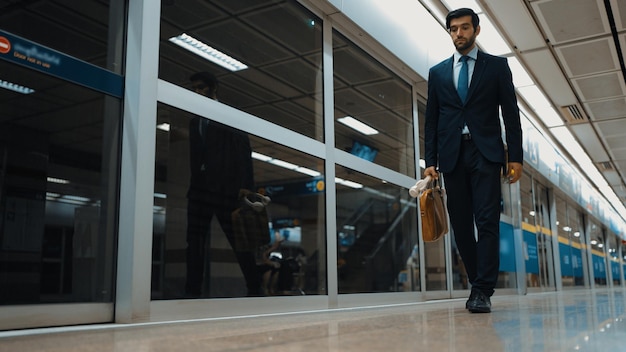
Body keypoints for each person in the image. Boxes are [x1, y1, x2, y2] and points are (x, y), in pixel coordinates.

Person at [424, 8, 523, 313]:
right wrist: (430, 159)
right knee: (461, 224)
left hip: (486, 153)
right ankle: (477, 281)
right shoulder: (438, 73)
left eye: (464, 28)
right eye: (453, 29)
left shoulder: (496, 67)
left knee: (487, 220)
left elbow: (510, 114)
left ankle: (482, 290)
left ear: (476, 30)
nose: (459, 34)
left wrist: (515, 157)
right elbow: (432, 120)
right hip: (452, 155)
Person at [185, 72, 263, 297]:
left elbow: (243, 153)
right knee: (194, 241)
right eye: (195, 89)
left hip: (225, 190)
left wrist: (246, 186)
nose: (198, 92)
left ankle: (255, 288)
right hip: (199, 189)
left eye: (202, 88)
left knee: (239, 240)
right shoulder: (194, 122)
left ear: (213, 88)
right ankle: (192, 292)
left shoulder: (228, 116)